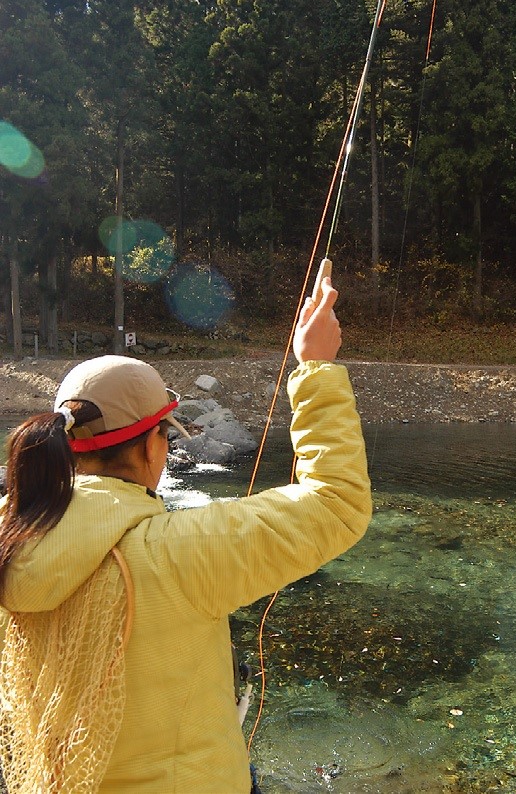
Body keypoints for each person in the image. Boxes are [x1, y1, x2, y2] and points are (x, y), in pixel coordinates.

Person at [0, 277, 371, 793]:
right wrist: (316, 368)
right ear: (155, 446)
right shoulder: (177, 549)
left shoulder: (9, 537)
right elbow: (337, 501)